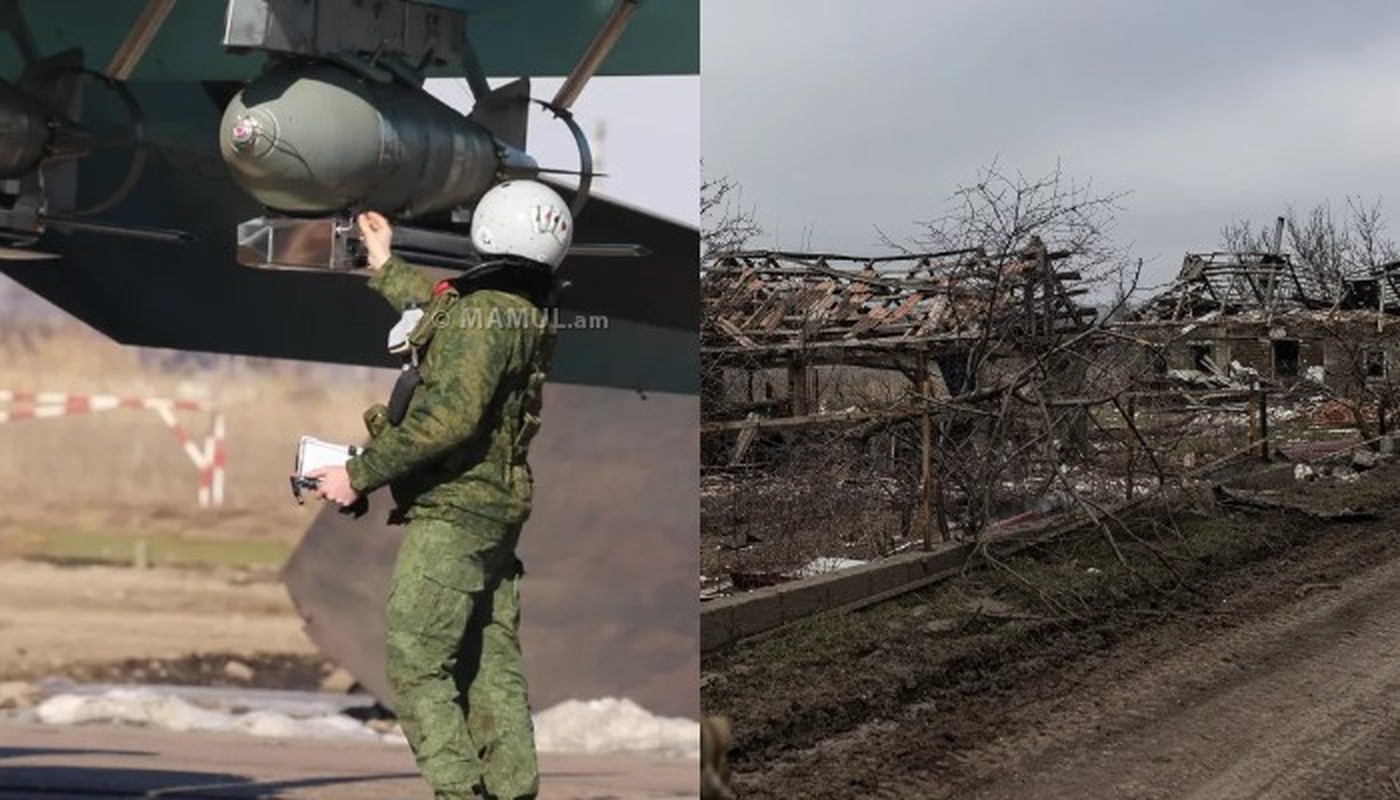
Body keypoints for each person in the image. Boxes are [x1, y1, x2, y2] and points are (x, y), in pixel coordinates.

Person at [308, 180, 572, 800]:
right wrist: (384, 262)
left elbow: (450, 416)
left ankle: (459, 792)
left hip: (454, 514)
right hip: (493, 515)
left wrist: (360, 474)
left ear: (488, 229)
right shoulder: (516, 310)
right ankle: (513, 792)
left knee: (417, 664)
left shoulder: (487, 319)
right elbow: (438, 318)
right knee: (488, 667)